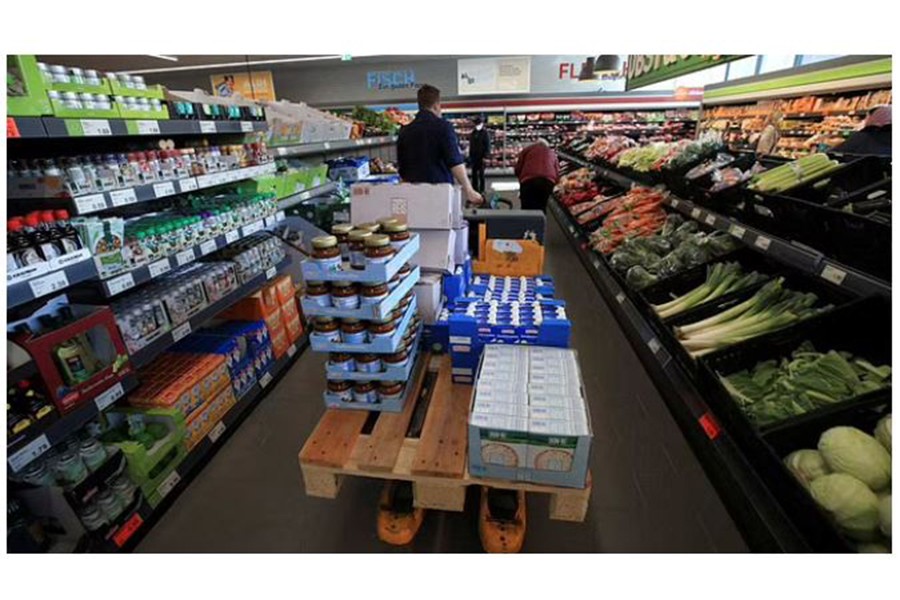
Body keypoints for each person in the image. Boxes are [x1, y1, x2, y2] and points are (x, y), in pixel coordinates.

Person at [396, 84, 483, 205]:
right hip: (439, 193)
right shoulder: (443, 127)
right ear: (437, 105)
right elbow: (454, 161)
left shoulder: (405, 131)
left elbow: (402, 168)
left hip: (413, 194)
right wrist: (469, 190)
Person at [514, 138, 560, 213]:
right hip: (547, 181)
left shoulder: (527, 150)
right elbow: (557, 171)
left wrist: (520, 179)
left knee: (527, 206)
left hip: (529, 180)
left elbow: (518, 167)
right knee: (542, 206)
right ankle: (541, 222)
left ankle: (527, 222)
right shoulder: (552, 153)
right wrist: (555, 183)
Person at [468, 116, 491, 195]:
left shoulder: (485, 133)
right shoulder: (473, 133)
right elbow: (471, 145)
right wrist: (470, 156)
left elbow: (487, 145)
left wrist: (486, 156)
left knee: (481, 174)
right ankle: (475, 188)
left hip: (481, 157)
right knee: (474, 174)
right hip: (474, 157)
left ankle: (482, 189)